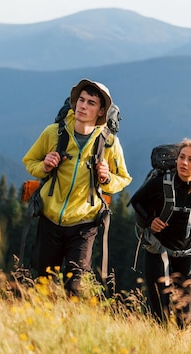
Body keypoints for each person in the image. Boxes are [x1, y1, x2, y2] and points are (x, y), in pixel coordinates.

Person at [23, 79, 132, 293]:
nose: (83, 106)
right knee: (43, 283)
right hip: (50, 217)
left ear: (101, 110)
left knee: (74, 286)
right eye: (81, 100)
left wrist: (107, 178)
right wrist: (45, 167)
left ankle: (69, 323)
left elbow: (124, 178)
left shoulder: (108, 143)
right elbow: (30, 161)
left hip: (84, 223)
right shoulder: (53, 133)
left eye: (91, 103)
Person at [130, 138, 191, 326]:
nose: (184, 162)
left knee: (185, 316)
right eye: (182, 157)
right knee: (160, 313)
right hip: (159, 251)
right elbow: (136, 202)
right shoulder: (160, 183)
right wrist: (151, 221)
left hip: (189, 255)